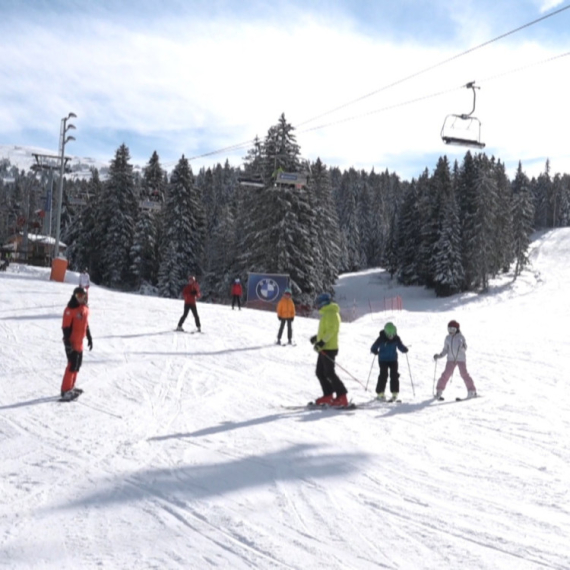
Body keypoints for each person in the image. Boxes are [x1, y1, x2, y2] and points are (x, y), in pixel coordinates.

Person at [310, 293, 348, 407]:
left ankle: (342, 396)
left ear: (323, 303)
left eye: (318, 303)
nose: (317, 306)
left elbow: (332, 331)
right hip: (325, 347)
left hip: (329, 348)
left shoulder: (331, 313)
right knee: (320, 372)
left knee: (329, 373)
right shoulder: (327, 313)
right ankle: (328, 395)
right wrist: (317, 338)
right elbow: (326, 330)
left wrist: (321, 342)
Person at [60, 287, 93, 400]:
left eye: (82, 296)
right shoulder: (70, 309)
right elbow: (65, 327)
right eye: (78, 296)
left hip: (80, 342)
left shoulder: (84, 308)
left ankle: (71, 386)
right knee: (72, 365)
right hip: (72, 341)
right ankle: (65, 390)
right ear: (74, 296)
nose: (80, 298)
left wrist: (89, 337)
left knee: (77, 365)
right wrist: (67, 343)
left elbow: (85, 324)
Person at [433, 320, 477, 399]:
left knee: (464, 374)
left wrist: (462, 347)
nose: (451, 331)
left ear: (457, 329)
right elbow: (445, 349)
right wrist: (439, 355)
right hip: (450, 359)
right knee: (446, 374)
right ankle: (439, 390)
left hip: (461, 359)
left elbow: (465, 348)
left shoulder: (461, 337)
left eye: (453, 329)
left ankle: (472, 391)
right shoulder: (447, 338)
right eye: (449, 329)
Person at [370, 322, 408, 401]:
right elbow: (374, 346)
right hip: (383, 360)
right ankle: (380, 393)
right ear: (386, 333)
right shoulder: (381, 338)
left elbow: (400, 345)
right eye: (389, 335)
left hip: (393, 360)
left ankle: (394, 392)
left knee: (394, 375)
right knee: (383, 375)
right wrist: (374, 350)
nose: (391, 337)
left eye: (392, 335)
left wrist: (404, 349)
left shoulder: (396, 338)